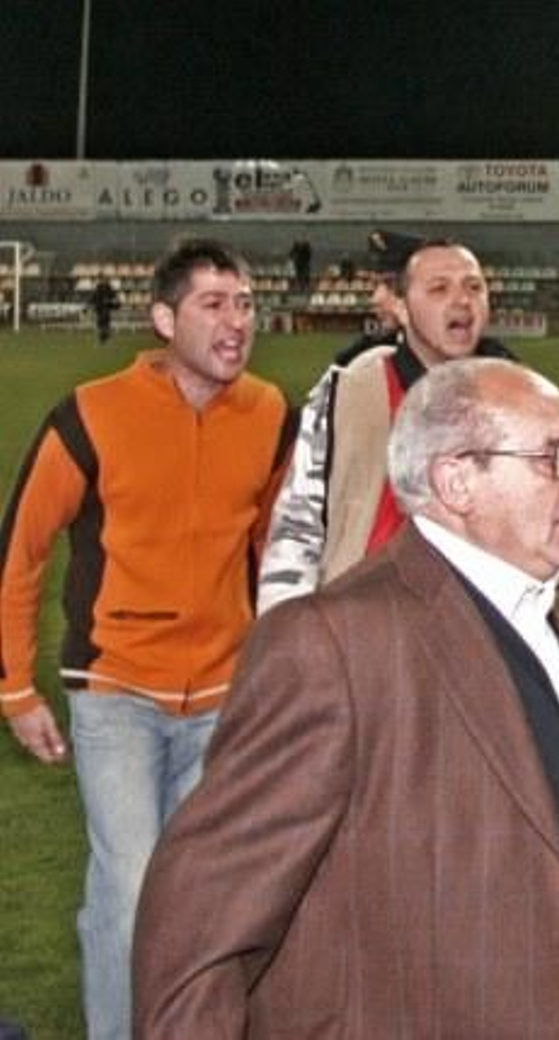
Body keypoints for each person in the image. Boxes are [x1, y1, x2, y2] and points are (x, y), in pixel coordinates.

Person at [132, 358, 559, 1037]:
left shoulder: (517, 603)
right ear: (457, 480)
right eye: (554, 457)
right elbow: (200, 923)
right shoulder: (327, 645)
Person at [0, 239, 295, 1040]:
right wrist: (15, 687)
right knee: (130, 892)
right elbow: (20, 549)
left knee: (201, 900)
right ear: (164, 318)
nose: (236, 322)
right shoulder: (91, 413)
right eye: (213, 305)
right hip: (117, 694)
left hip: (225, 701)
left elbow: (278, 550)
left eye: (244, 304)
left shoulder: (270, 412)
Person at [256, 238, 515, 612]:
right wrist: (286, 635)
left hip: (471, 630)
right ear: (402, 308)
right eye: (440, 288)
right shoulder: (345, 394)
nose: (462, 300)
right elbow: (297, 529)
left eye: (474, 287)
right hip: (361, 624)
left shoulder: (515, 402)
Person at [88, 277, 119, 344]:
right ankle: (101, 339)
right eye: (102, 280)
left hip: (106, 309)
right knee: (101, 325)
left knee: (106, 325)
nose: (103, 281)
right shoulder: (98, 289)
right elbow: (93, 298)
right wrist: (90, 305)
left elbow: (115, 299)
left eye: (104, 280)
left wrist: (110, 302)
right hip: (99, 309)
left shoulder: (109, 289)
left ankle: (106, 339)